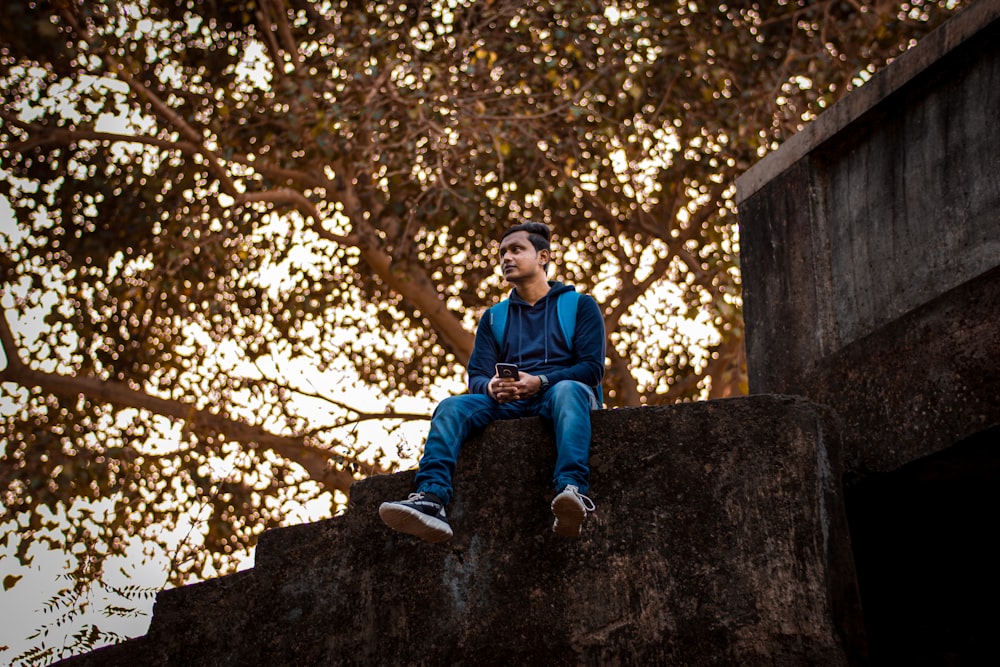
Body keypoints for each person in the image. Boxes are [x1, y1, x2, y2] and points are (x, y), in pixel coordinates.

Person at [379, 222, 606, 542]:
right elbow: (478, 375)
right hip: (509, 402)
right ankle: (431, 499)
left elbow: (591, 369)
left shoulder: (579, 305)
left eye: (516, 250)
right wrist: (491, 387)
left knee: (568, 389)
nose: (506, 258)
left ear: (543, 257)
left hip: (560, 395)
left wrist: (540, 381)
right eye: (502, 253)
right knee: (451, 407)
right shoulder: (494, 317)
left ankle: (572, 492)